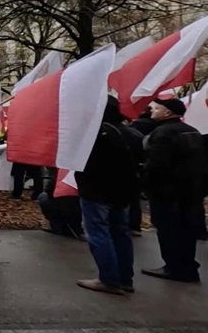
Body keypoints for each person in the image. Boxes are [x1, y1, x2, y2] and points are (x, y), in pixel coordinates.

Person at [74, 96, 136, 295]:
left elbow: (83, 163)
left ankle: (109, 280)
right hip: (124, 192)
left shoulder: (96, 134)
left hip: (97, 191)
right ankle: (125, 278)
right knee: (121, 233)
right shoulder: (131, 133)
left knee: (99, 234)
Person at [141, 98, 205, 283]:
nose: (152, 110)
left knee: (168, 229)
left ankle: (174, 268)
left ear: (168, 112)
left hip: (167, 192)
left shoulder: (163, 132)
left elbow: (156, 165)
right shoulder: (192, 131)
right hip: (190, 192)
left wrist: (146, 185)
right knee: (186, 230)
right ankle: (188, 266)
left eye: (157, 108)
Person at [37, 168, 84, 239]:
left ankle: (58, 226)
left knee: (43, 197)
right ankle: (76, 230)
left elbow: (49, 190)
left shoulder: (62, 170)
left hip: (66, 207)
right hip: (81, 209)